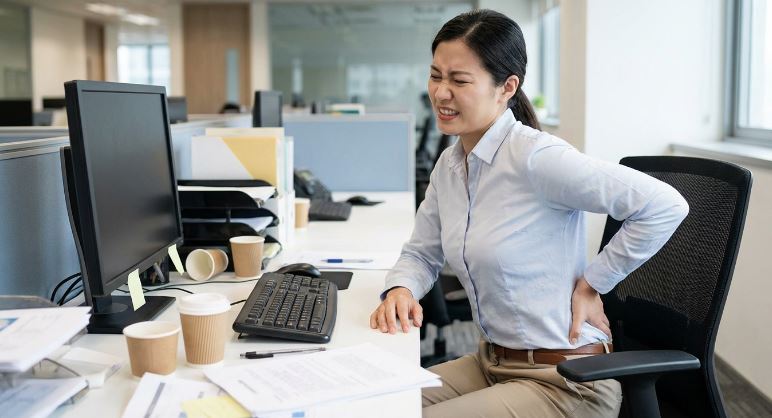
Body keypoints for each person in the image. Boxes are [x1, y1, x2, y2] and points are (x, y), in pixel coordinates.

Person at [369, 9, 689, 418]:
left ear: (507, 87)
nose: (441, 93)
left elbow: (664, 204)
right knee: (370, 403)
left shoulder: (537, 158)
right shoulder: (450, 166)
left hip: (568, 382)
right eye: (436, 76)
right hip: (492, 364)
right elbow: (421, 253)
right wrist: (402, 289)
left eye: (459, 80)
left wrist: (593, 283)